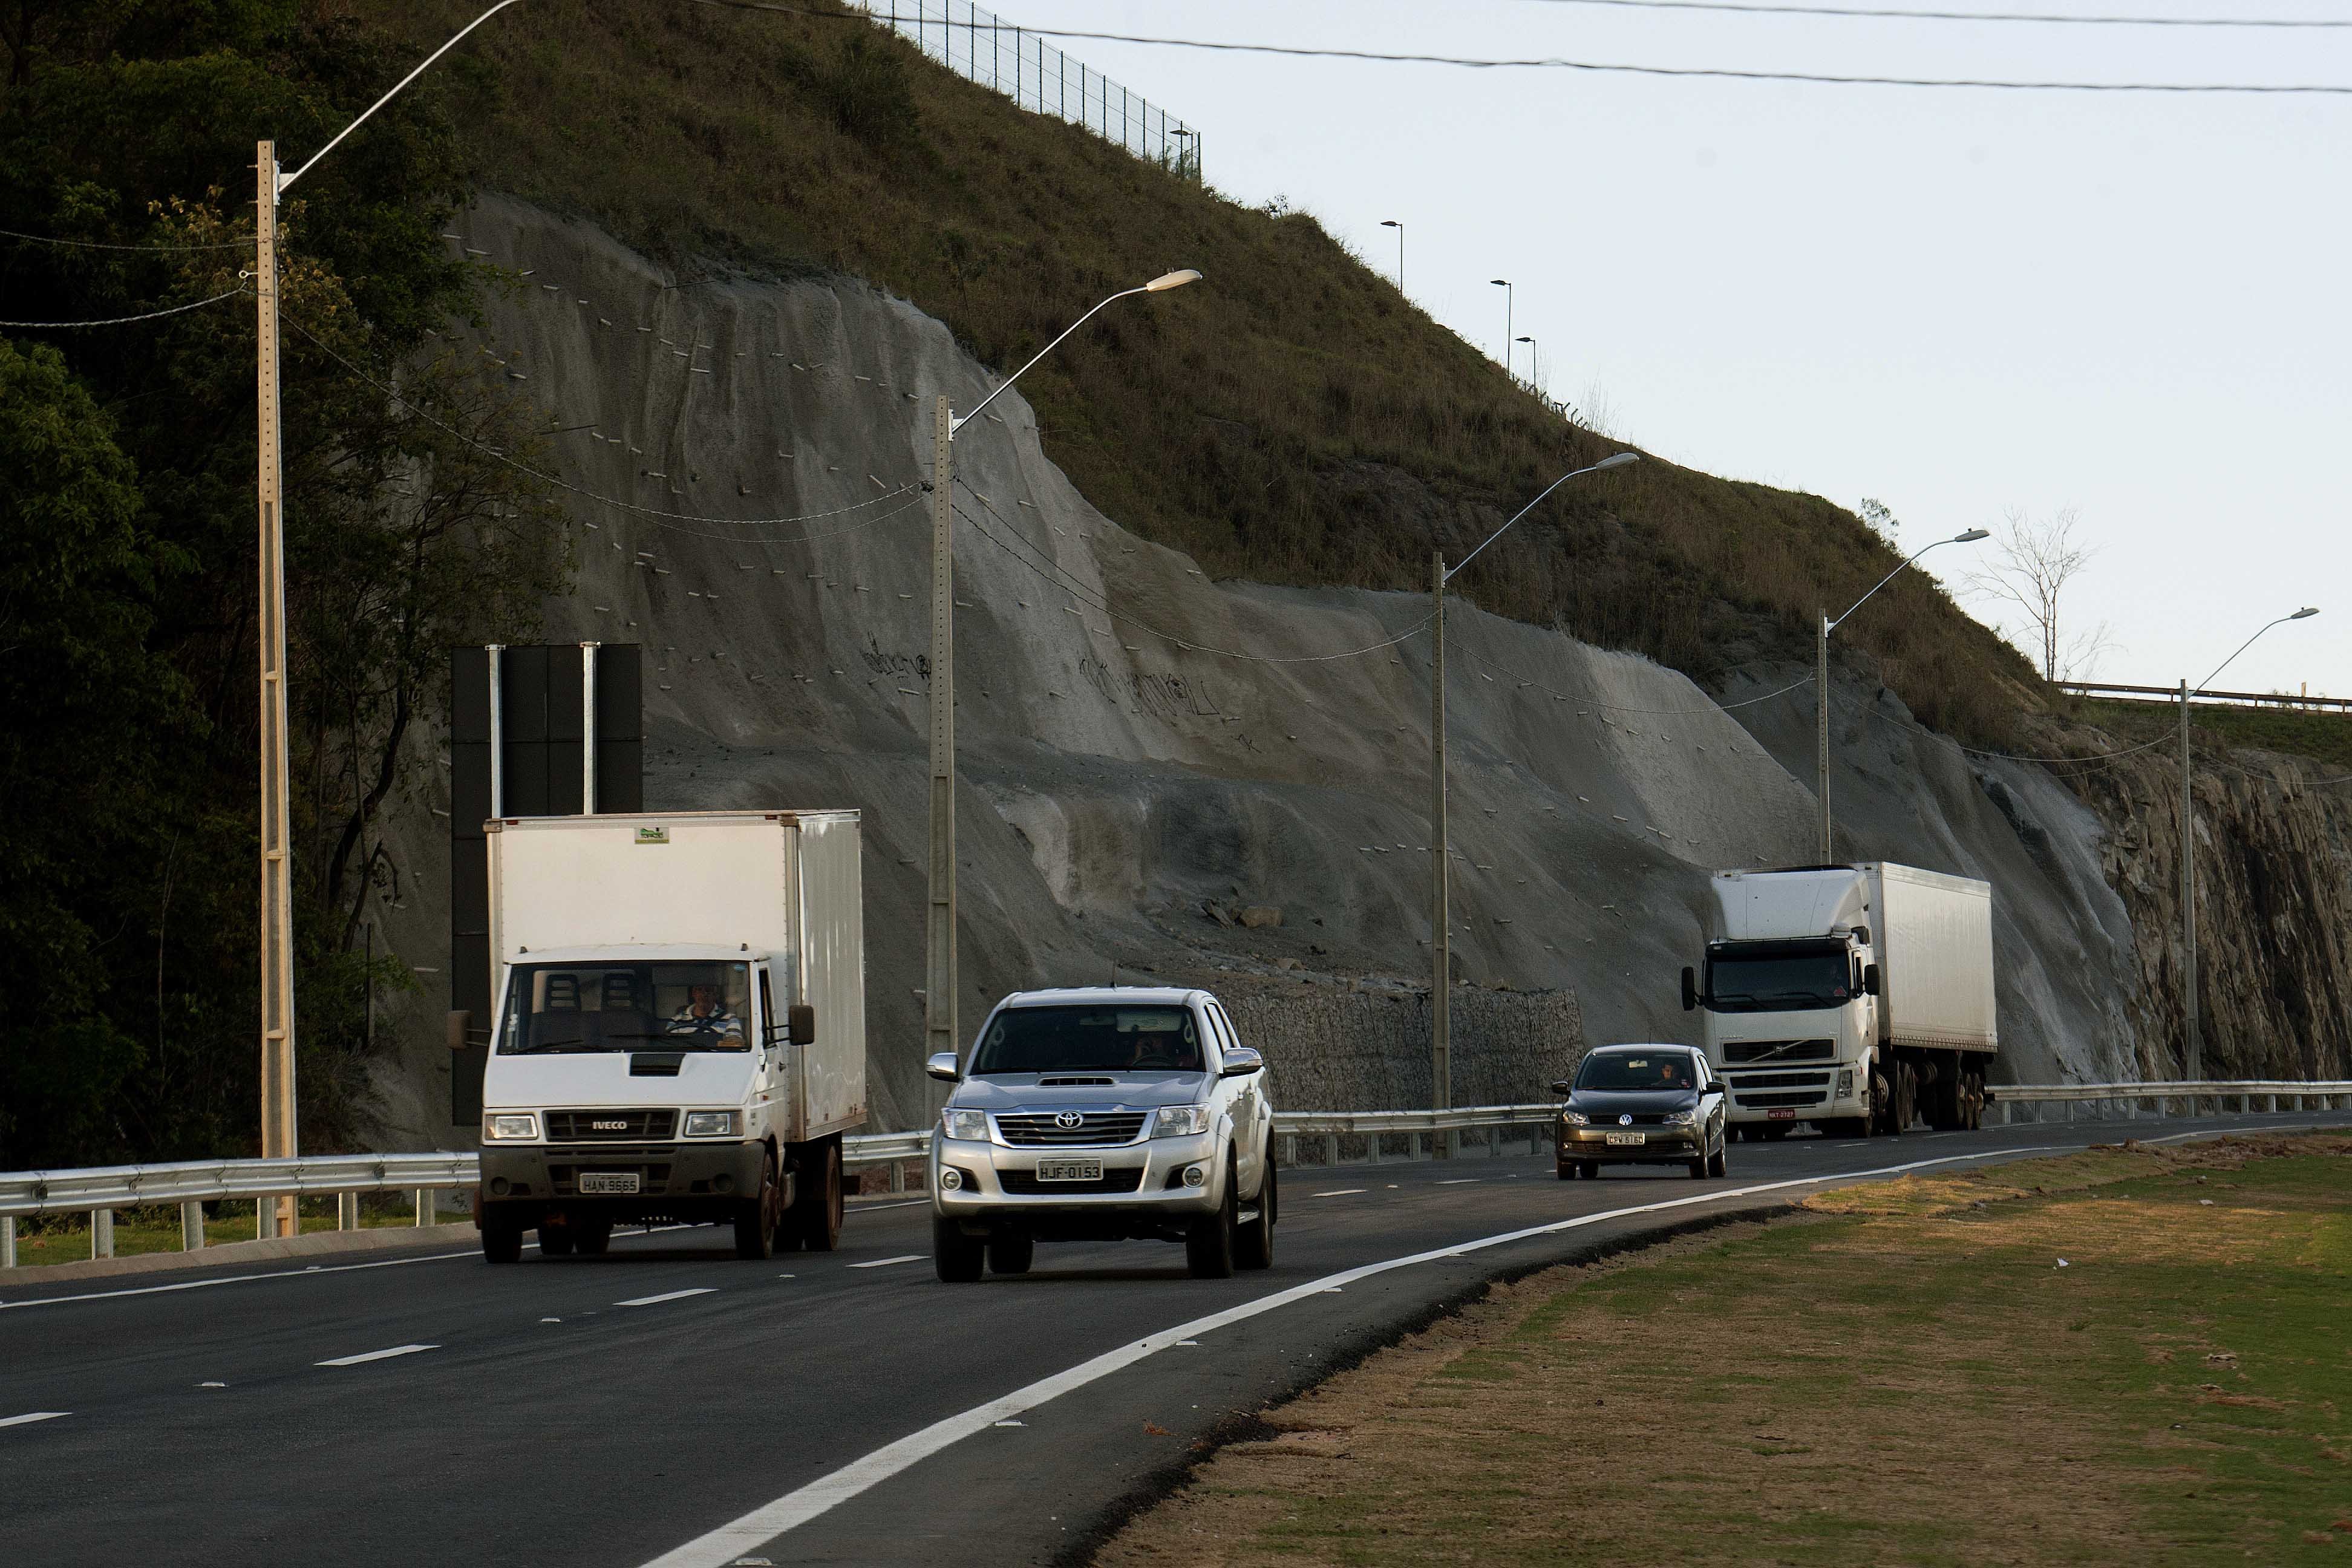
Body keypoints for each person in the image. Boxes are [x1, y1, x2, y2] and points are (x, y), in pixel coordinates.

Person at [665, 982, 745, 1047]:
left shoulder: (730, 1019)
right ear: (693, 994)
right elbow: (671, 1047)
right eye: (699, 990)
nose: (704, 994)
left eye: (708, 990)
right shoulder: (676, 1021)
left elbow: (734, 1045)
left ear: (715, 995)